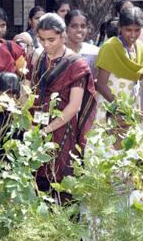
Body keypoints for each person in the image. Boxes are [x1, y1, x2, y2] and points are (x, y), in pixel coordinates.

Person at [27, 13, 97, 193]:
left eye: (52, 39)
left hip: (62, 129)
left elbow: (74, 107)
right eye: (41, 40)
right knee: (38, 185)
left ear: (63, 36)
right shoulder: (40, 58)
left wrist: (46, 129)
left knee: (63, 186)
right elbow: (31, 92)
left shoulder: (77, 65)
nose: (46, 44)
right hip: (36, 127)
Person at [95, 7, 143, 111]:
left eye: (137, 30)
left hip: (131, 105)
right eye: (128, 30)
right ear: (120, 27)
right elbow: (101, 84)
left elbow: (136, 74)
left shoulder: (139, 47)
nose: (133, 35)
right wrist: (119, 109)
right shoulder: (110, 47)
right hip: (111, 107)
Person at [65, 9, 99, 75]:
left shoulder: (94, 52)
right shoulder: (58, 52)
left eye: (83, 26)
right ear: (66, 28)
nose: (79, 30)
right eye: (74, 26)